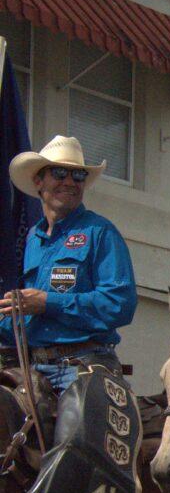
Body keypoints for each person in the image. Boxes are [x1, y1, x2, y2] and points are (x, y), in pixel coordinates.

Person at [0, 135, 136, 392]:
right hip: (32, 370)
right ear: (38, 181)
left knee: (73, 430)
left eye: (78, 175)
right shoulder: (32, 240)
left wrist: (46, 302)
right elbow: (25, 318)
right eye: (60, 173)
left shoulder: (100, 232)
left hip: (83, 365)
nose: (70, 182)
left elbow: (120, 304)